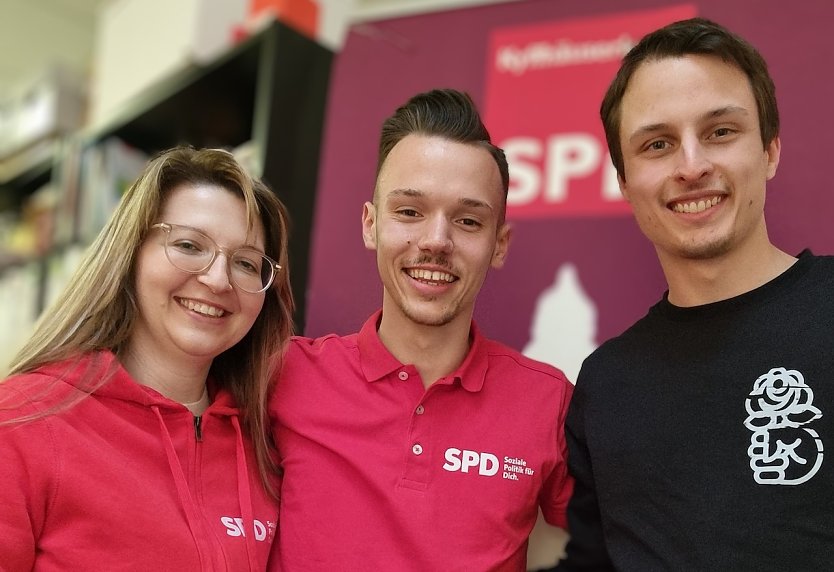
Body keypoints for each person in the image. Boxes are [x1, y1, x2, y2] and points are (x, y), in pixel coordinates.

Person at [555, 17, 834, 570]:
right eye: (657, 144)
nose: (692, 166)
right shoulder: (605, 385)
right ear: (624, 181)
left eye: (720, 132)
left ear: (770, 150)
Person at [269, 88, 573, 570]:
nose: (435, 241)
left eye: (469, 220)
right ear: (371, 225)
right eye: (409, 212)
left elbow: (631, 539)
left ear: (499, 244)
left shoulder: (549, 401)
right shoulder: (283, 375)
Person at [0, 146, 295, 570]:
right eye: (190, 245)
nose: (217, 279)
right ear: (131, 253)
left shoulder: (269, 446)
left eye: (246, 263)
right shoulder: (21, 422)